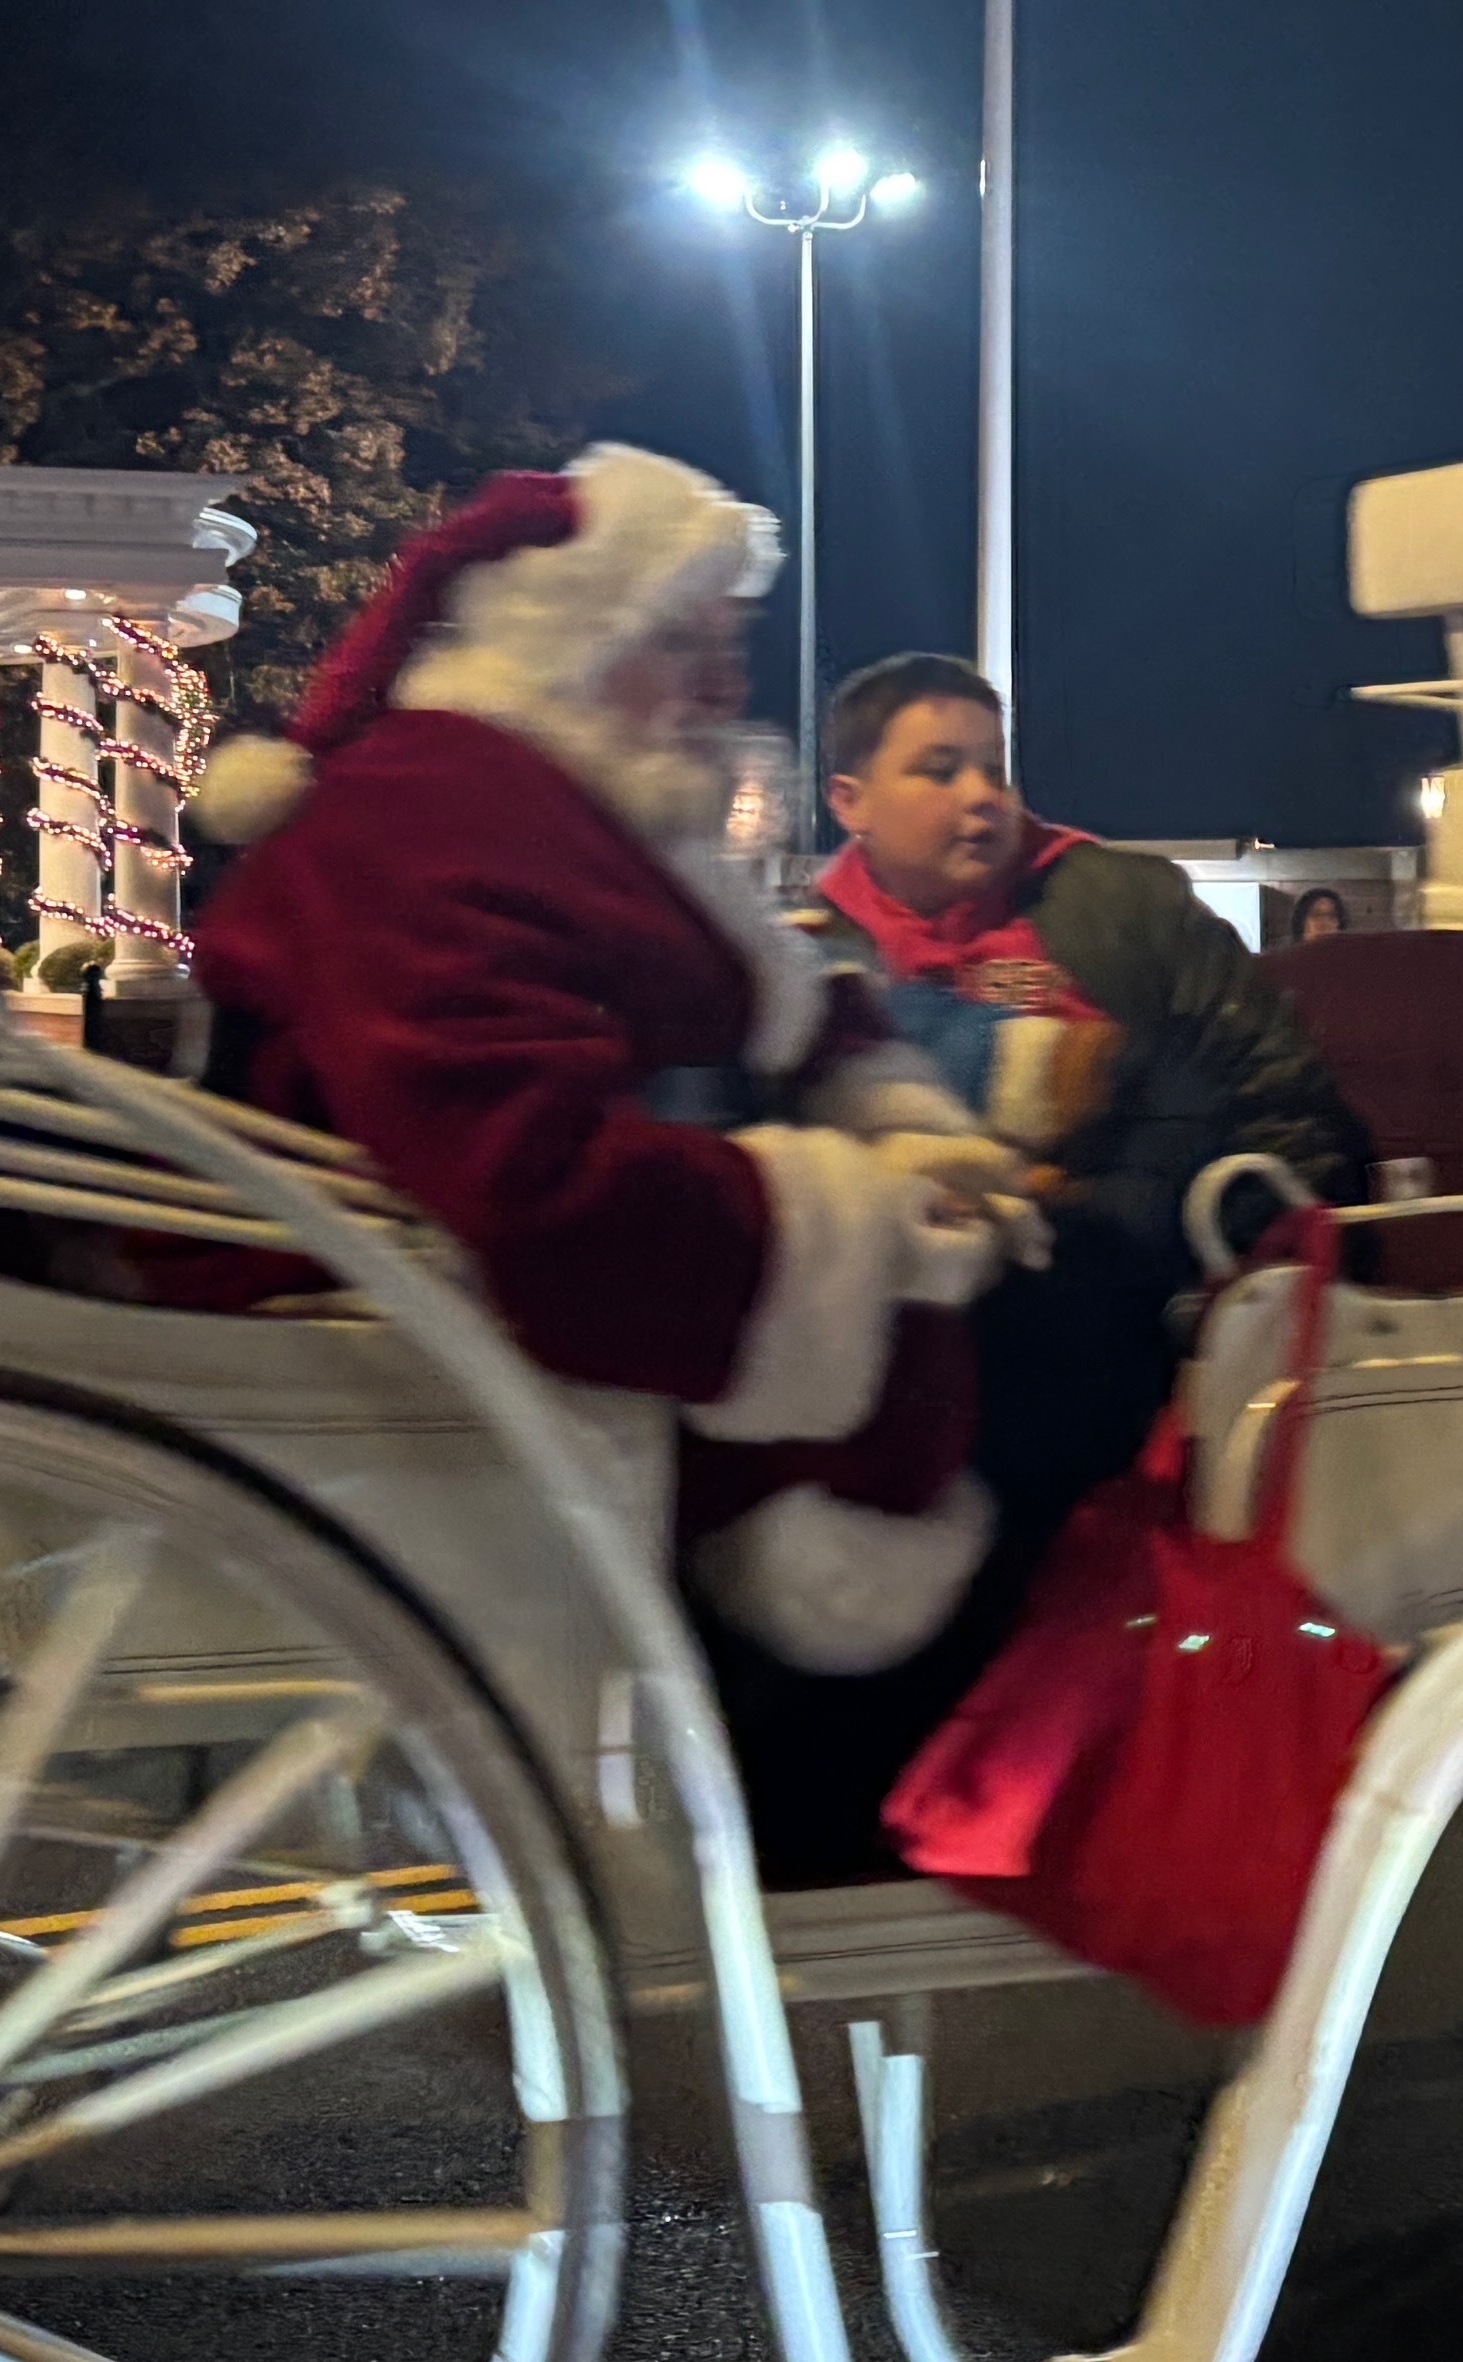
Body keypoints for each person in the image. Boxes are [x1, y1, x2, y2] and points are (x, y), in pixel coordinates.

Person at [192, 450, 1025, 1748]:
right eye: (682, 642)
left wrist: (906, 1122)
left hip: (541, 1313)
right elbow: (528, 1179)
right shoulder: (436, 821)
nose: (723, 684)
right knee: (1071, 1350)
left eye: (729, 641)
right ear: (568, 649)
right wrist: (860, 1221)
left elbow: (793, 999)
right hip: (454, 1342)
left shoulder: (559, 810)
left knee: (1050, 1292)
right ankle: (926, 1768)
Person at [809, 650, 1362, 1533]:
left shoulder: (1124, 903)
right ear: (849, 801)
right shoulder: (810, 960)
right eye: (939, 771)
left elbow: (1278, 1100)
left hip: (1116, 1303)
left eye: (994, 768)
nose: (984, 796)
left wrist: (1231, 1291)